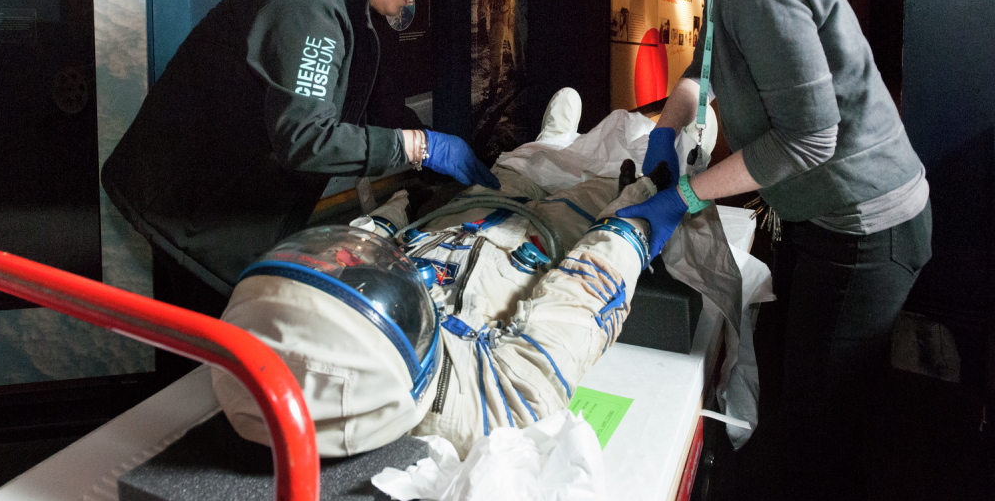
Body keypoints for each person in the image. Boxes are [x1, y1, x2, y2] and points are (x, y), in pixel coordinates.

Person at [580, 0, 932, 501]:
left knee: (817, 432)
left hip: (864, 228)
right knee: (806, 410)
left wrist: (681, 196)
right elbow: (700, 69)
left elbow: (807, 140)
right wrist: (665, 127)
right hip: (827, 218)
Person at [211, 89, 702, 458]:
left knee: (521, 168)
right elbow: (575, 306)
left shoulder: (285, 336)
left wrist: (403, 207)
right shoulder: (480, 402)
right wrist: (631, 227)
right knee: (614, 175)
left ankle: (550, 141)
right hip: (549, 239)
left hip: (461, 221)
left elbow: (354, 248)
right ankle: (671, 144)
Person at [101, 0, 499, 321]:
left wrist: (438, 151)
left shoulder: (348, 3)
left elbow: (370, 106)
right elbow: (307, 138)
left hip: (220, 206)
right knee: (203, 358)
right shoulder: (311, 5)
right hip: (190, 211)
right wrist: (421, 146)